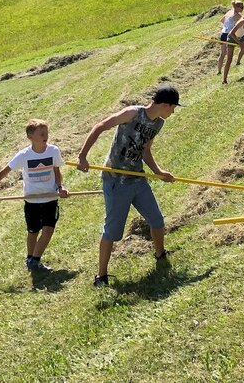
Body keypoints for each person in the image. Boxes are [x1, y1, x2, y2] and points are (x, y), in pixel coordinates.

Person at [76, 85, 182, 287]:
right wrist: (82, 156)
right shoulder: (133, 113)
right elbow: (100, 126)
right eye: (173, 107)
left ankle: (160, 255)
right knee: (113, 232)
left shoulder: (158, 124)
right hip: (116, 180)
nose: (173, 111)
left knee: (157, 220)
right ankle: (101, 276)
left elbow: (145, 151)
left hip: (137, 179)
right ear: (165, 104)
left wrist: (159, 172)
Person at [0, 119, 69, 272]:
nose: (46, 136)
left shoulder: (53, 151)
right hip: (32, 200)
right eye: (41, 134)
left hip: (50, 197)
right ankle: (30, 258)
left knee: (48, 230)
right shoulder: (24, 155)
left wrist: (60, 187)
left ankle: (35, 260)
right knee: (33, 231)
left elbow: (56, 171)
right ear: (30, 137)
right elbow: (4, 172)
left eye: (47, 132)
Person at [217, 0, 244, 75]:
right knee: (229, 54)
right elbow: (243, 24)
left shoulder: (229, 12)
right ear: (237, 7)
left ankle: (219, 71)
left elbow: (222, 20)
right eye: (241, 7)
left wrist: (227, 25)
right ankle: (237, 62)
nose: (243, 9)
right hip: (229, 35)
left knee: (222, 53)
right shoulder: (237, 15)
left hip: (223, 34)